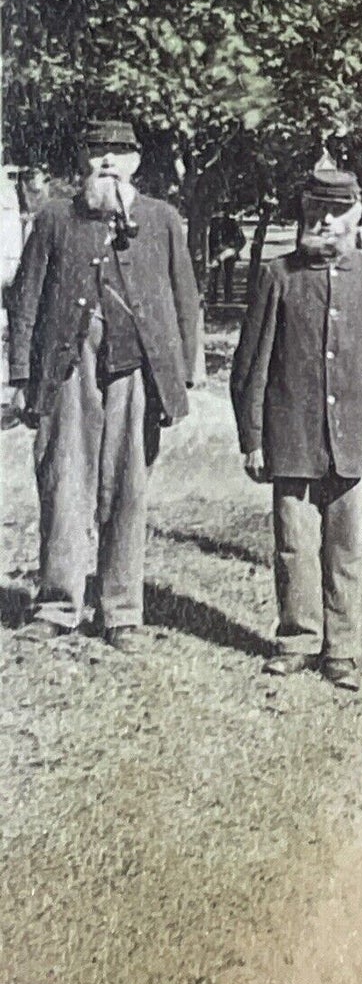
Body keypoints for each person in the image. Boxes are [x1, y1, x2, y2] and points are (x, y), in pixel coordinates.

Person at [7, 118, 200, 649]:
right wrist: (21, 375)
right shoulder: (54, 218)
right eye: (97, 153)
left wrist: (185, 372)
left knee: (127, 487)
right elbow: (25, 300)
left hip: (136, 369)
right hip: (68, 366)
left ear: (137, 162)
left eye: (119, 153)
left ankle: (121, 612)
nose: (108, 162)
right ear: (84, 160)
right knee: (64, 480)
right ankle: (57, 605)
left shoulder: (162, 220)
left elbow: (185, 298)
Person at [230, 167, 362, 687]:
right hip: (291, 438)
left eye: (336, 212)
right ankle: (297, 639)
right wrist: (254, 439)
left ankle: (342, 649)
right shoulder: (277, 276)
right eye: (315, 212)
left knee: (346, 548)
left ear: (356, 216)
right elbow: (250, 365)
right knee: (293, 544)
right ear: (304, 214)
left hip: (352, 439)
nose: (325, 221)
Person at [207, 210, 246, 305]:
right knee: (214, 276)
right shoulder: (214, 224)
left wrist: (233, 250)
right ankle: (213, 298)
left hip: (229, 253)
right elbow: (211, 241)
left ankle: (228, 298)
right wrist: (212, 255)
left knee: (228, 276)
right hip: (216, 253)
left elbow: (242, 240)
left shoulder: (232, 224)